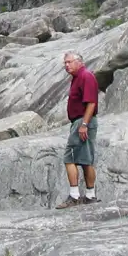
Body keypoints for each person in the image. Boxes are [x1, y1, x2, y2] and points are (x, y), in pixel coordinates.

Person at [56, 51, 99, 208]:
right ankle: (90, 196)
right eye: (65, 63)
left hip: (82, 121)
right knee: (86, 160)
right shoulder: (78, 78)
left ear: (79, 62)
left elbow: (91, 103)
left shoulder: (85, 76)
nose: (66, 65)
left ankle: (74, 196)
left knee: (69, 158)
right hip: (82, 121)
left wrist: (84, 125)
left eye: (69, 62)